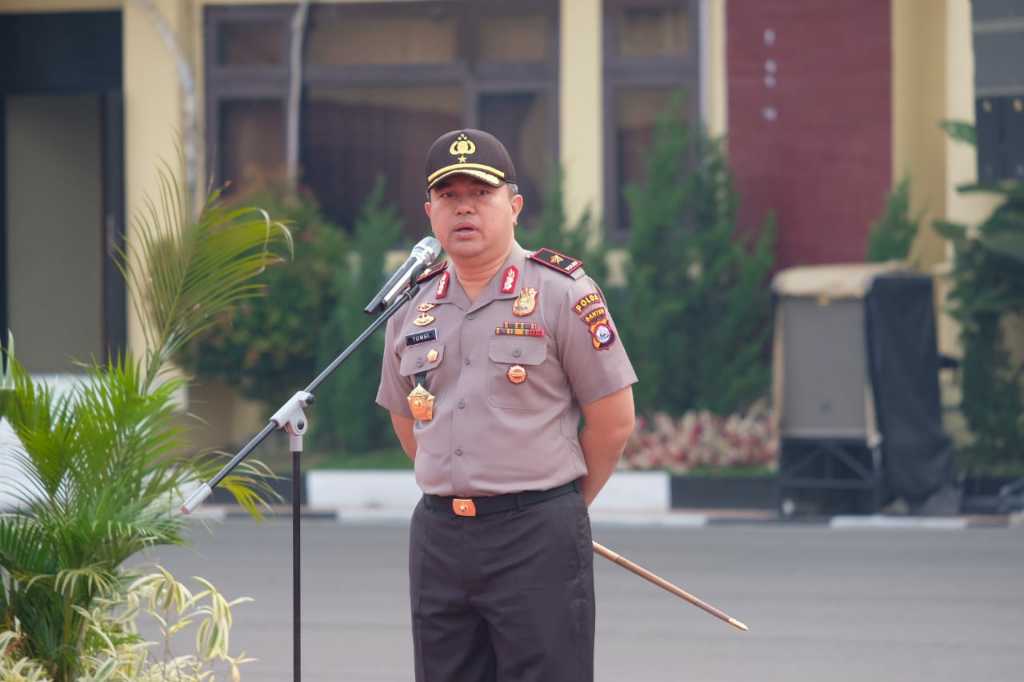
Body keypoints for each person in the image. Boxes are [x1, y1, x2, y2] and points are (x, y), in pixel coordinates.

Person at [376, 128, 637, 682]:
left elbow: (614, 421)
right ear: (430, 212)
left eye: (481, 194)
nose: (464, 208)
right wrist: (459, 475)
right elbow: (408, 420)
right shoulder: (410, 307)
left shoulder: (563, 293)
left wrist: (558, 504)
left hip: (536, 537)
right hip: (441, 539)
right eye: (449, 196)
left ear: (513, 206)